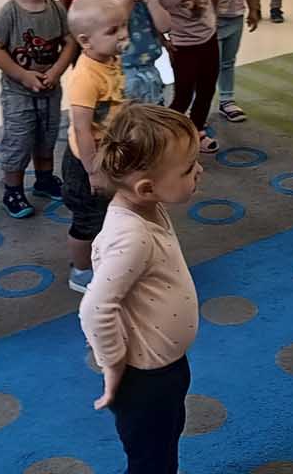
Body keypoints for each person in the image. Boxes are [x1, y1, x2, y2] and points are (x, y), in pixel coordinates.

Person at [79, 104, 202, 474]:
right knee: (151, 460)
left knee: (165, 441)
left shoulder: (147, 207)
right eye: (189, 168)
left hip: (165, 366)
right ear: (146, 188)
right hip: (144, 380)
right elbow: (95, 308)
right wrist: (113, 365)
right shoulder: (132, 236)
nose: (200, 171)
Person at [0, 0, 71, 219]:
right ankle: (13, 189)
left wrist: (56, 71)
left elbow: (70, 42)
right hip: (18, 93)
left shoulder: (57, 10)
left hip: (50, 89)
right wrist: (22, 75)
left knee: (47, 136)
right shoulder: (10, 13)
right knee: (19, 140)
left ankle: (44, 180)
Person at [62, 0, 129, 293]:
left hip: (109, 152)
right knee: (87, 219)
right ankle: (80, 271)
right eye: (113, 31)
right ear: (85, 41)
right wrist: (93, 171)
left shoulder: (110, 59)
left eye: (124, 26)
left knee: (110, 211)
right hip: (86, 161)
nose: (123, 35)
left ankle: (107, 256)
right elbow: (82, 129)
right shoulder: (85, 76)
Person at [148, 0, 224, 155]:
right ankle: (166, 133)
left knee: (207, 89)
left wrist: (213, 14)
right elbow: (152, 19)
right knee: (183, 94)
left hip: (209, 41)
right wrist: (164, 41)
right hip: (182, 48)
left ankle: (197, 129)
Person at [96, 0, 173, 107]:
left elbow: (166, 26)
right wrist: (127, 2)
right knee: (127, 120)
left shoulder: (145, 0)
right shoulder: (102, 5)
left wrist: (151, 0)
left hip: (150, 71)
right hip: (120, 77)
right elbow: (115, 26)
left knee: (153, 117)